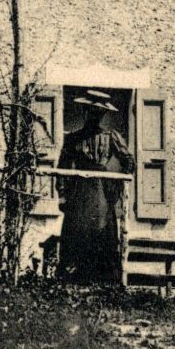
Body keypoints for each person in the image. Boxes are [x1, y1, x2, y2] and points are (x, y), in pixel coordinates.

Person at [57, 90, 134, 288]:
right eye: (91, 111)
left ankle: (103, 284)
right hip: (80, 190)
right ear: (85, 112)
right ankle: (73, 282)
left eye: (99, 113)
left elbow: (129, 162)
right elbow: (62, 168)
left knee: (102, 231)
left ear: (103, 115)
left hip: (101, 190)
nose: (95, 116)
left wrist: (115, 185)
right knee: (77, 231)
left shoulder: (111, 137)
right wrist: (63, 194)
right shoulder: (73, 139)